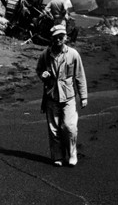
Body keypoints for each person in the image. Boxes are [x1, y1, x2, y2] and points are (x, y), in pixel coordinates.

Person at [36, 24, 88, 167]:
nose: (58, 39)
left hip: (69, 97)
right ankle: (57, 156)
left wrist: (83, 97)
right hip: (51, 96)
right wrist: (43, 75)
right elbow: (39, 70)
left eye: (61, 37)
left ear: (66, 38)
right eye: (55, 37)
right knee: (54, 130)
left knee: (69, 127)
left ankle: (72, 154)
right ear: (51, 39)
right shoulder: (45, 55)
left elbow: (80, 76)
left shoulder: (73, 54)